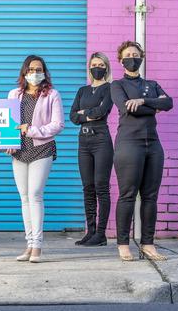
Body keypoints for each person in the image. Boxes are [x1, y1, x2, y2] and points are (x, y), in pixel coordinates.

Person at [110, 41, 173, 261]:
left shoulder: (152, 84)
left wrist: (144, 101)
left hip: (153, 146)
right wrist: (154, 105)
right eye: (128, 55)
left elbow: (169, 104)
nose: (132, 58)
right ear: (121, 60)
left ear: (141, 58)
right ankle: (123, 244)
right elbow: (126, 107)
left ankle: (148, 243)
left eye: (136, 54)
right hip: (129, 145)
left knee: (150, 196)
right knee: (127, 195)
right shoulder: (116, 85)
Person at [7, 55, 64, 263]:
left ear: (44, 72)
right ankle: (29, 244)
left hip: (42, 149)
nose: (35, 73)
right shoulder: (14, 94)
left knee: (35, 194)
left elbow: (57, 124)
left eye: (39, 69)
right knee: (24, 197)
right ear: (24, 72)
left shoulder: (52, 95)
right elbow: (7, 123)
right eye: (31, 69)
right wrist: (6, 143)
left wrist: (32, 130)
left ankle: (38, 246)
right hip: (19, 151)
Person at [70, 52, 113, 246]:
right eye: (94, 64)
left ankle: (101, 234)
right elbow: (72, 116)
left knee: (101, 187)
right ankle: (91, 231)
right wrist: (89, 115)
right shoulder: (82, 90)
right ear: (89, 67)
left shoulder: (110, 88)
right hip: (84, 141)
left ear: (106, 68)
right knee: (88, 187)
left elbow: (102, 111)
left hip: (101, 139)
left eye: (101, 65)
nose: (97, 68)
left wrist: (84, 113)